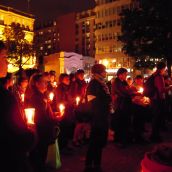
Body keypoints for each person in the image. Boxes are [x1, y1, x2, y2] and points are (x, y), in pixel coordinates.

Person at [0, 41, 35, 172]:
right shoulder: (5, 97)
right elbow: (20, 139)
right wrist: (31, 130)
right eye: (4, 57)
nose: (7, 62)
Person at [26, 73, 58, 172]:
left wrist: (53, 114)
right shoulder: (36, 98)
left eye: (46, 82)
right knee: (40, 153)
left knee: (42, 153)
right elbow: (41, 117)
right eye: (44, 82)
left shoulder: (42, 96)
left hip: (44, 129)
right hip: (41, 131)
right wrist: (56, 119)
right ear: (36, 83)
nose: (46, 84)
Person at [84, 64, 111, 172]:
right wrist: (106, 102)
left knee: (99, 142)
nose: (106, 72)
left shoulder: (102, 83)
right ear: (98, 72)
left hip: (102, 116)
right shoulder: (94, 84)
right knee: (95, 142)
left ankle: (96, 164)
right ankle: (90, 165)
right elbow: (92, 101)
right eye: (104, 71)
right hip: (97, 118)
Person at [111, 68, 136, 147]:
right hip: (120, 105)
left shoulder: (124, 82)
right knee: (121, 123)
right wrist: (131, 91)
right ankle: (120, 140)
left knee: (125, 122)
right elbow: (124, 92)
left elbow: (128, 90)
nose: (126, 75)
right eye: (125, 74)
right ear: (120, 74)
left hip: (125, 105)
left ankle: (124, 138)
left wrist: (130, 91)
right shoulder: (116, 82)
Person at [149, 62, 172, 142]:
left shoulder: (154, 75)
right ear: (163, 68)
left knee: (157, 117)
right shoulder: (159, 76)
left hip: (155, 99)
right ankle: (155, 136)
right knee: (157, 118)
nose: (165, 70)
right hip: (158, 99)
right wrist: (170, 87)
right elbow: (161, 89)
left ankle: (155, 135)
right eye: (165, 68)